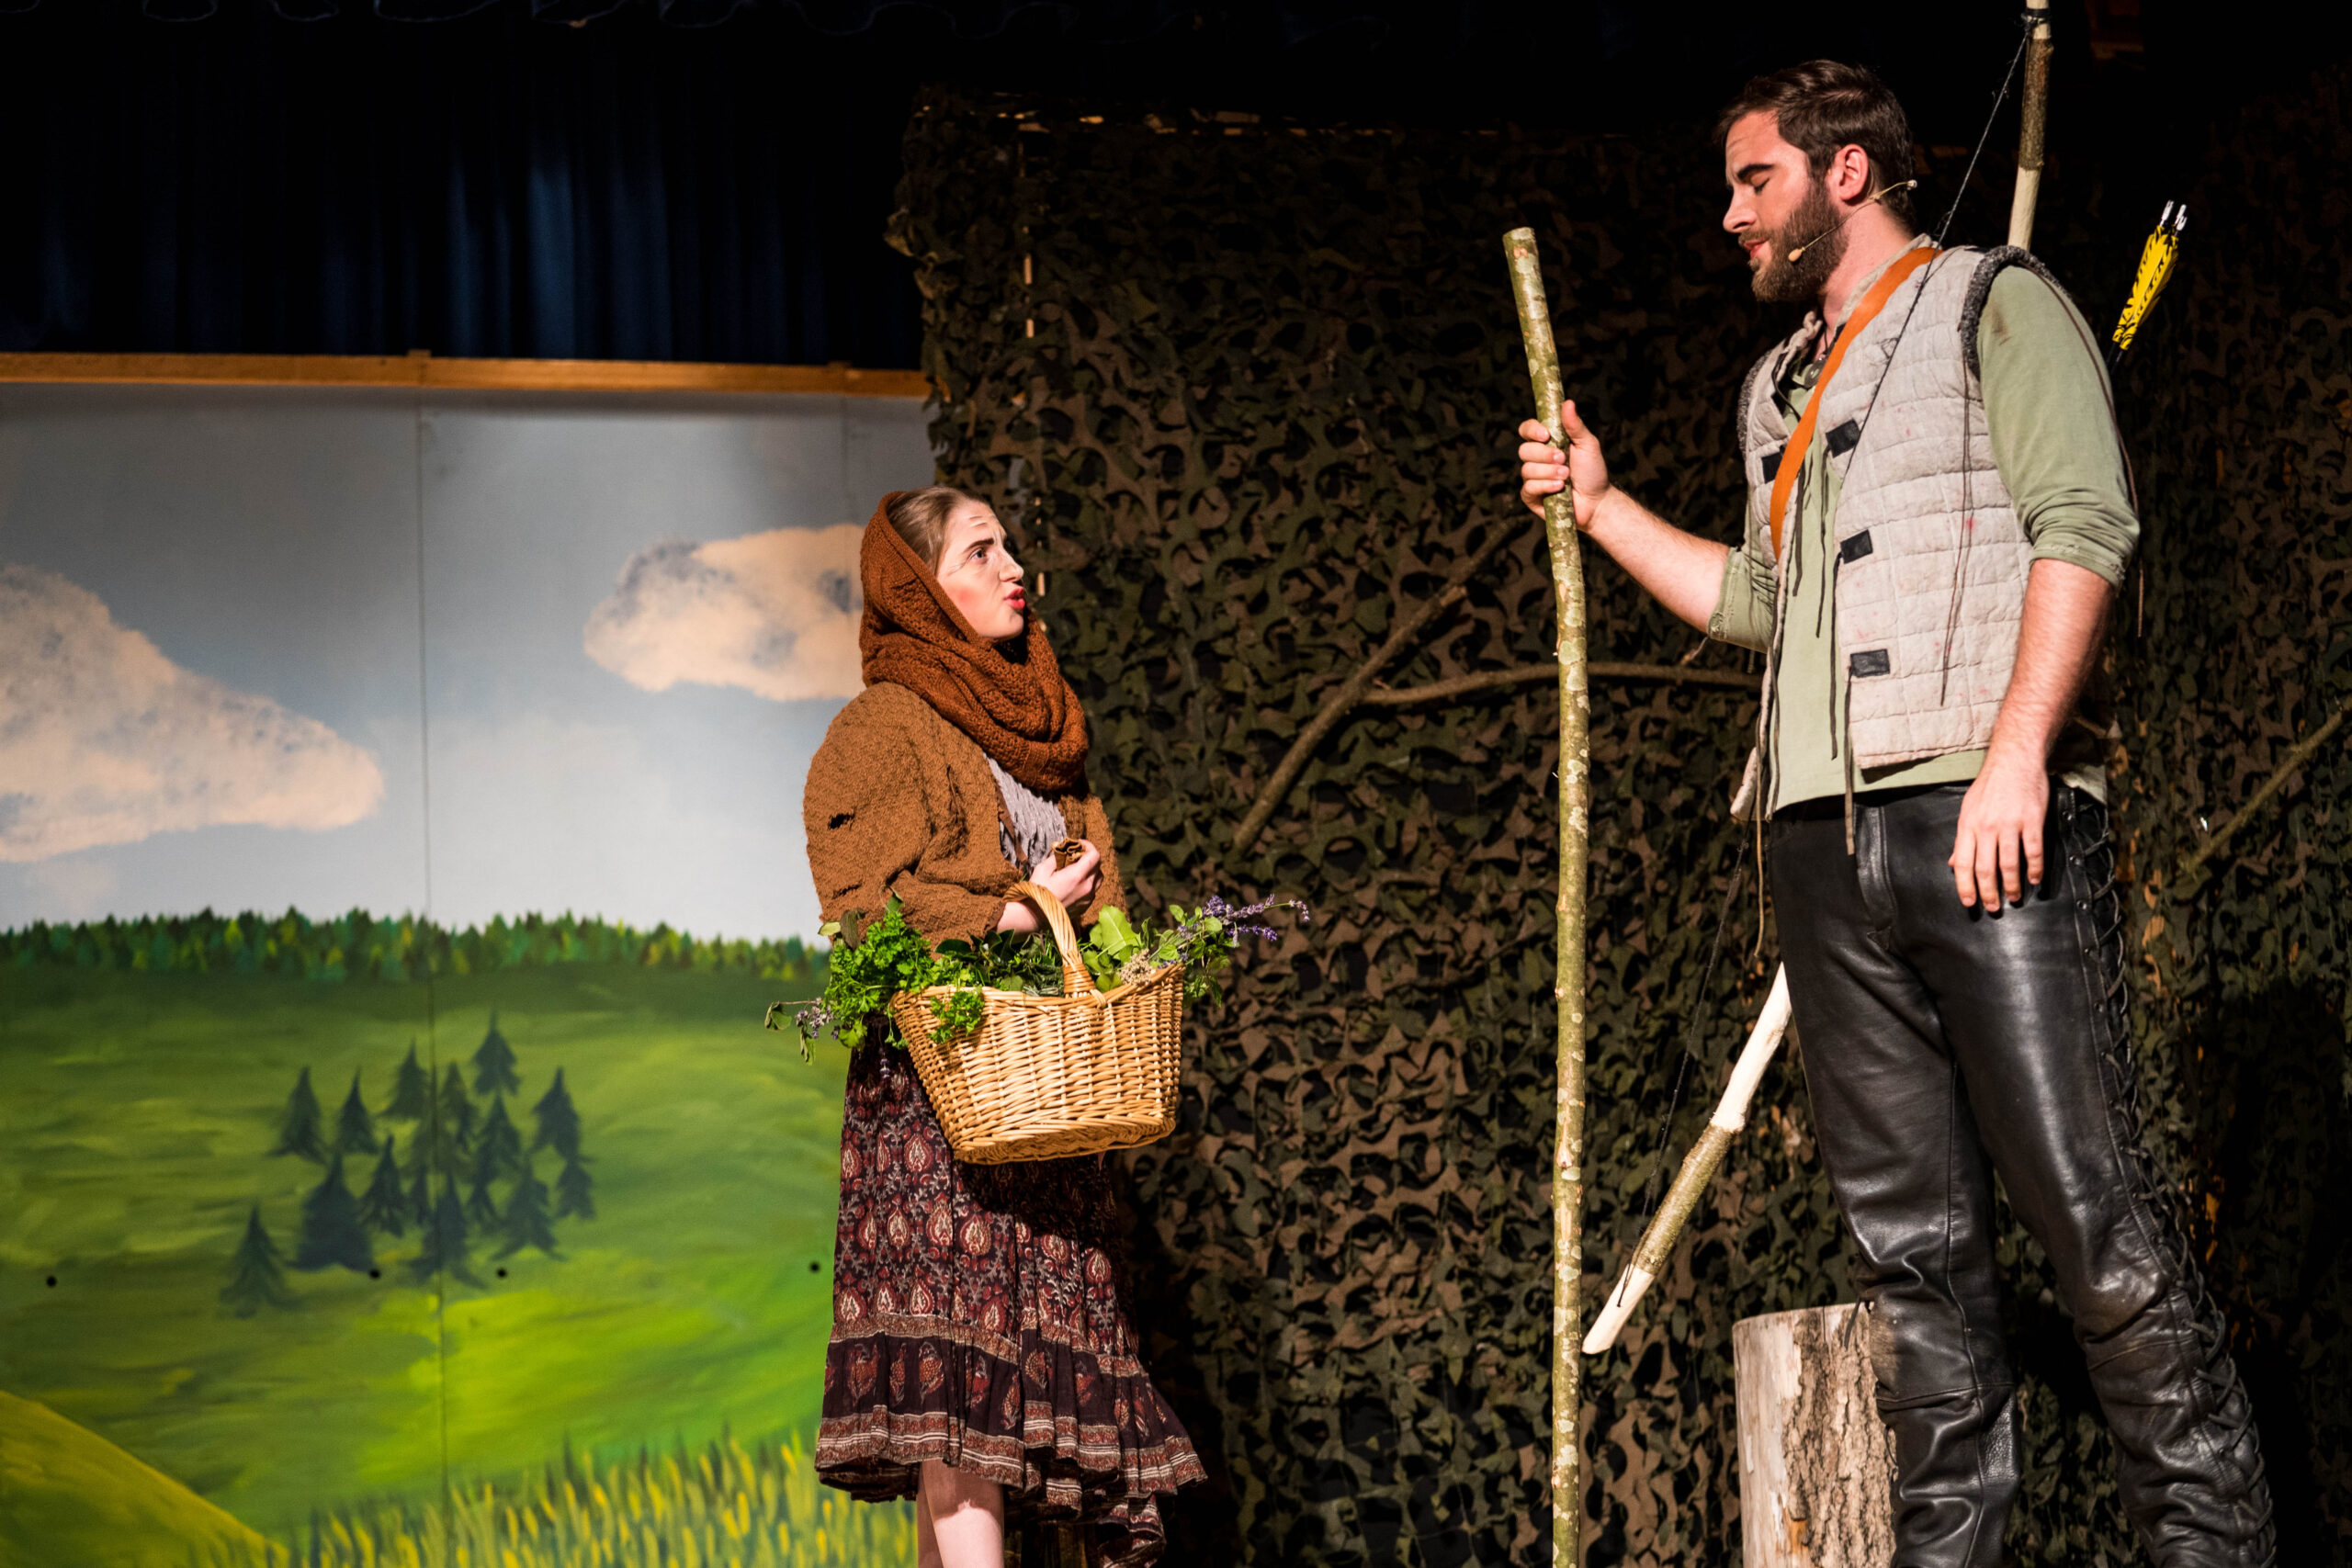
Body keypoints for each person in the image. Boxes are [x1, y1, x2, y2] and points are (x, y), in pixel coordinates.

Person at [1513, 61, 2272, 1568]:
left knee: (2092, 1221)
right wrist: (1598, 509)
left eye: (1756, 180)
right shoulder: (1774, 389)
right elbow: (1761, 600)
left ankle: (2215, 1546)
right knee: (1910, 1259)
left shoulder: (1997, 303)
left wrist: (2017, 756)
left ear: (1845, 171)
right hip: (1820, 848)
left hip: (1988, 818)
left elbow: (2085, 524)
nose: (1732, 214)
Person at [801, 486, 1204, 1568]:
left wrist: (1119, 960)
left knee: (1006, 1394)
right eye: (981, 551)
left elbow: (1101, 904)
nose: (1013, 566)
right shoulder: (885, 726)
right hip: (942, 1099)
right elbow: (861, 900)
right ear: (920, 590)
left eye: (1010, 546)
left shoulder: (1044, 732)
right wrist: (1009, 914)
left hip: (1047, 1098)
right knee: (956, 1400)